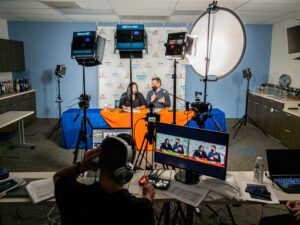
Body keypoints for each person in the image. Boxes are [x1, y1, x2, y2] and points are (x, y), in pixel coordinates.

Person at [54, 134, 155, 225]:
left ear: (97, 161)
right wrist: (148, 198)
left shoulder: (70, 192)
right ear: (127, 169)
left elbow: (58, 177)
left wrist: (81, 166)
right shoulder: (142, 209)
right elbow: (146, 206)